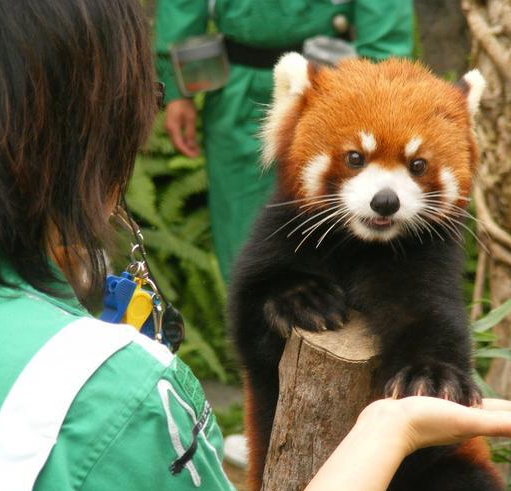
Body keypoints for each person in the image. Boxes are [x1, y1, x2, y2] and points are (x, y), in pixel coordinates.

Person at [0, 1, 511, 491]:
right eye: (147, 94)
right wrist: (184, 73)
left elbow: (431, 321)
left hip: (339, 58)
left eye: (418, 169)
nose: (388, 191)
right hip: (239, 81)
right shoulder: (116, 397)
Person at [155, 0, 416, 282]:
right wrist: (177, 87)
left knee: (345, 236)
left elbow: (385, 24)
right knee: (243, 241)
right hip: (237, 93)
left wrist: (381, 98)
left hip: (336, 96)